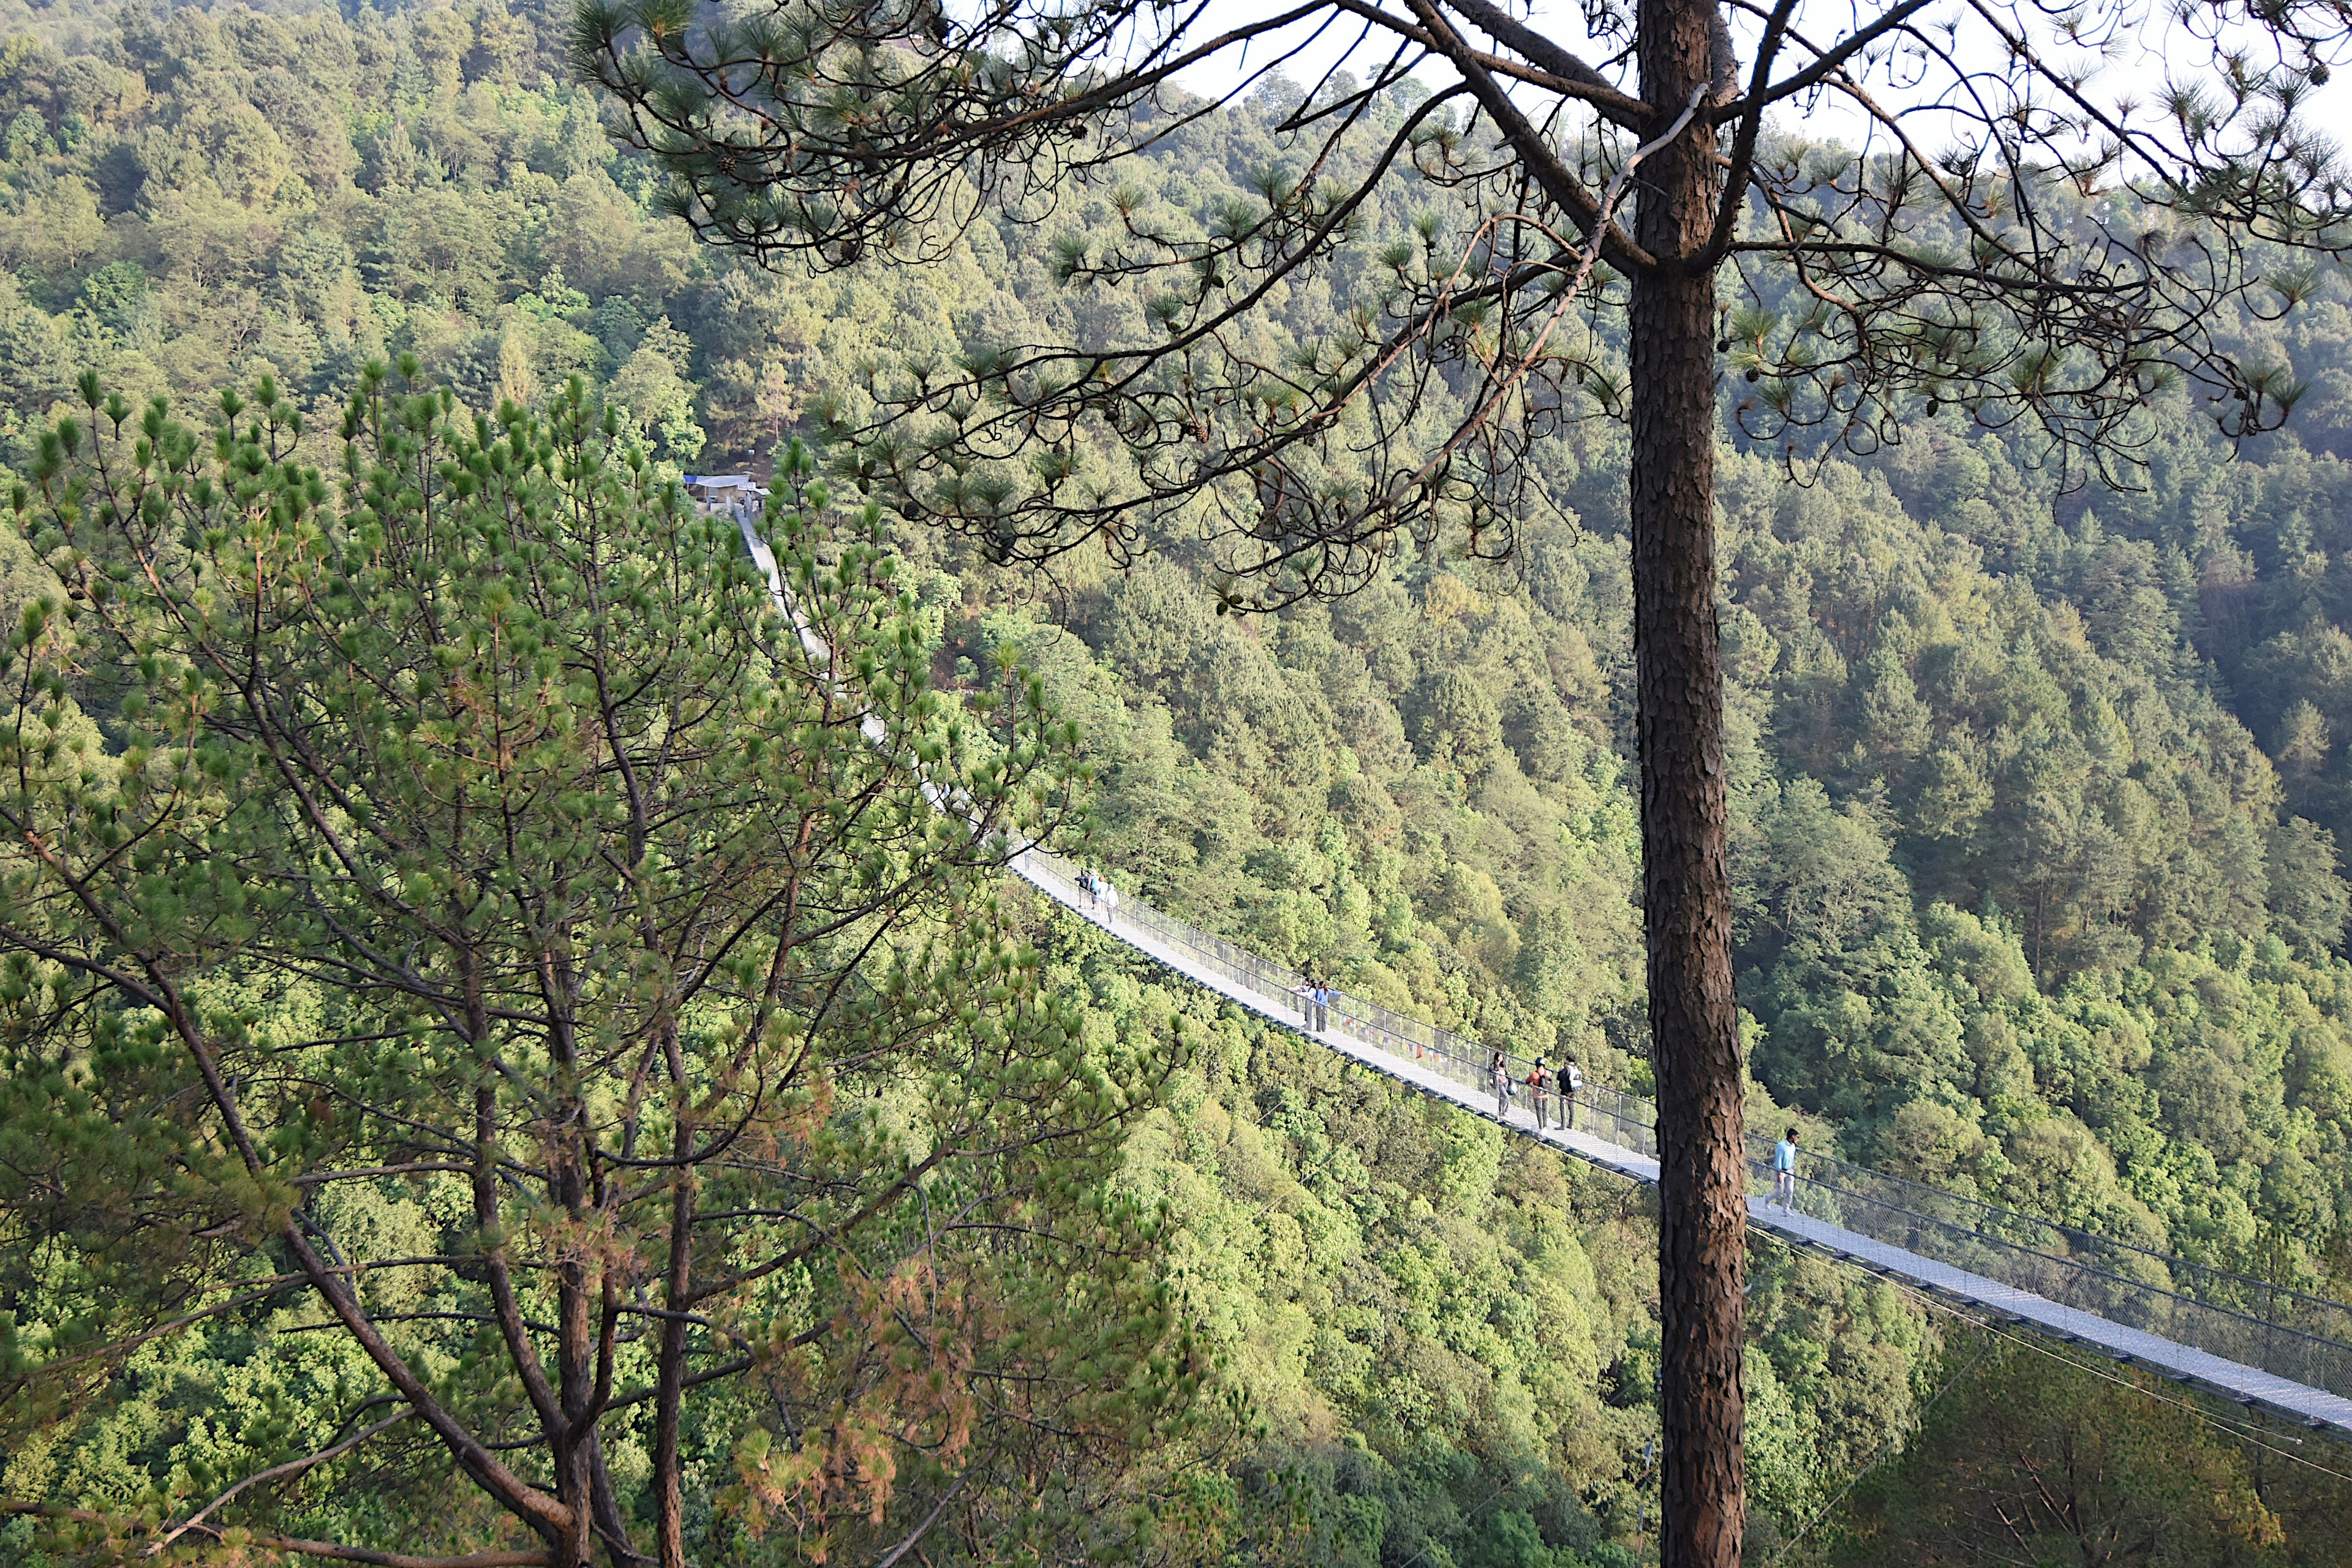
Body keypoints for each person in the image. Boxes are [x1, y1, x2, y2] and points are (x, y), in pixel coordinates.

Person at [1773, 1126, 1801, 1214]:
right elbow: (1779, 1160)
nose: (1798, 1139)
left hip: (1789, 1170)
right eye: (1797, 1137)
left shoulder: (1793, 1147)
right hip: (1781, 1171)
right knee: (1780, 1191)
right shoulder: (1781, 1146)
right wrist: (1780, 1174)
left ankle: (1786, 1209)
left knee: (1790, 1191)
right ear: (1793, 1136)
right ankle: (1767, 1199)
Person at [1527, 1057, 1550, 1131]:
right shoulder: (1548, 1073)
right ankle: (1545, 1127)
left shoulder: (1535, 1074)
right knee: (1545, 1110)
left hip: (1537, 1095)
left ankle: (1541, 1127)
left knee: (1539, 1112)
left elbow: (1527, 1081)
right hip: (1546, 1094)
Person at [1561, 1054, 1582, 1132]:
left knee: (1562, 1105)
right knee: (1571, 1106)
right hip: (1574, 1090)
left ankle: (1563, 1124)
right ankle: (1571, 1124)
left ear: (1567, 1060)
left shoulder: (1567, 1069)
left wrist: (1561, 1071)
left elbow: (1560, 1077)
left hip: (1566, 1090)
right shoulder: (1576, 1069)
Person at [1490, 1050, 1513, 1120]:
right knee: (1506, 1097)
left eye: (1502, 1056)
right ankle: (1504, 1111)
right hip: (1499, 1083)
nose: (1501, 1058)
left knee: (1502, 1098)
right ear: (1497, 1057)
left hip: (1505, 1082)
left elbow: (1507, 1074)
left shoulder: (1503, 1065)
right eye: (1500, 1056)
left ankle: (1501, 1112)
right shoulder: (1493, 1065)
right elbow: (1491, 1072)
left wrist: (1510, 1081)